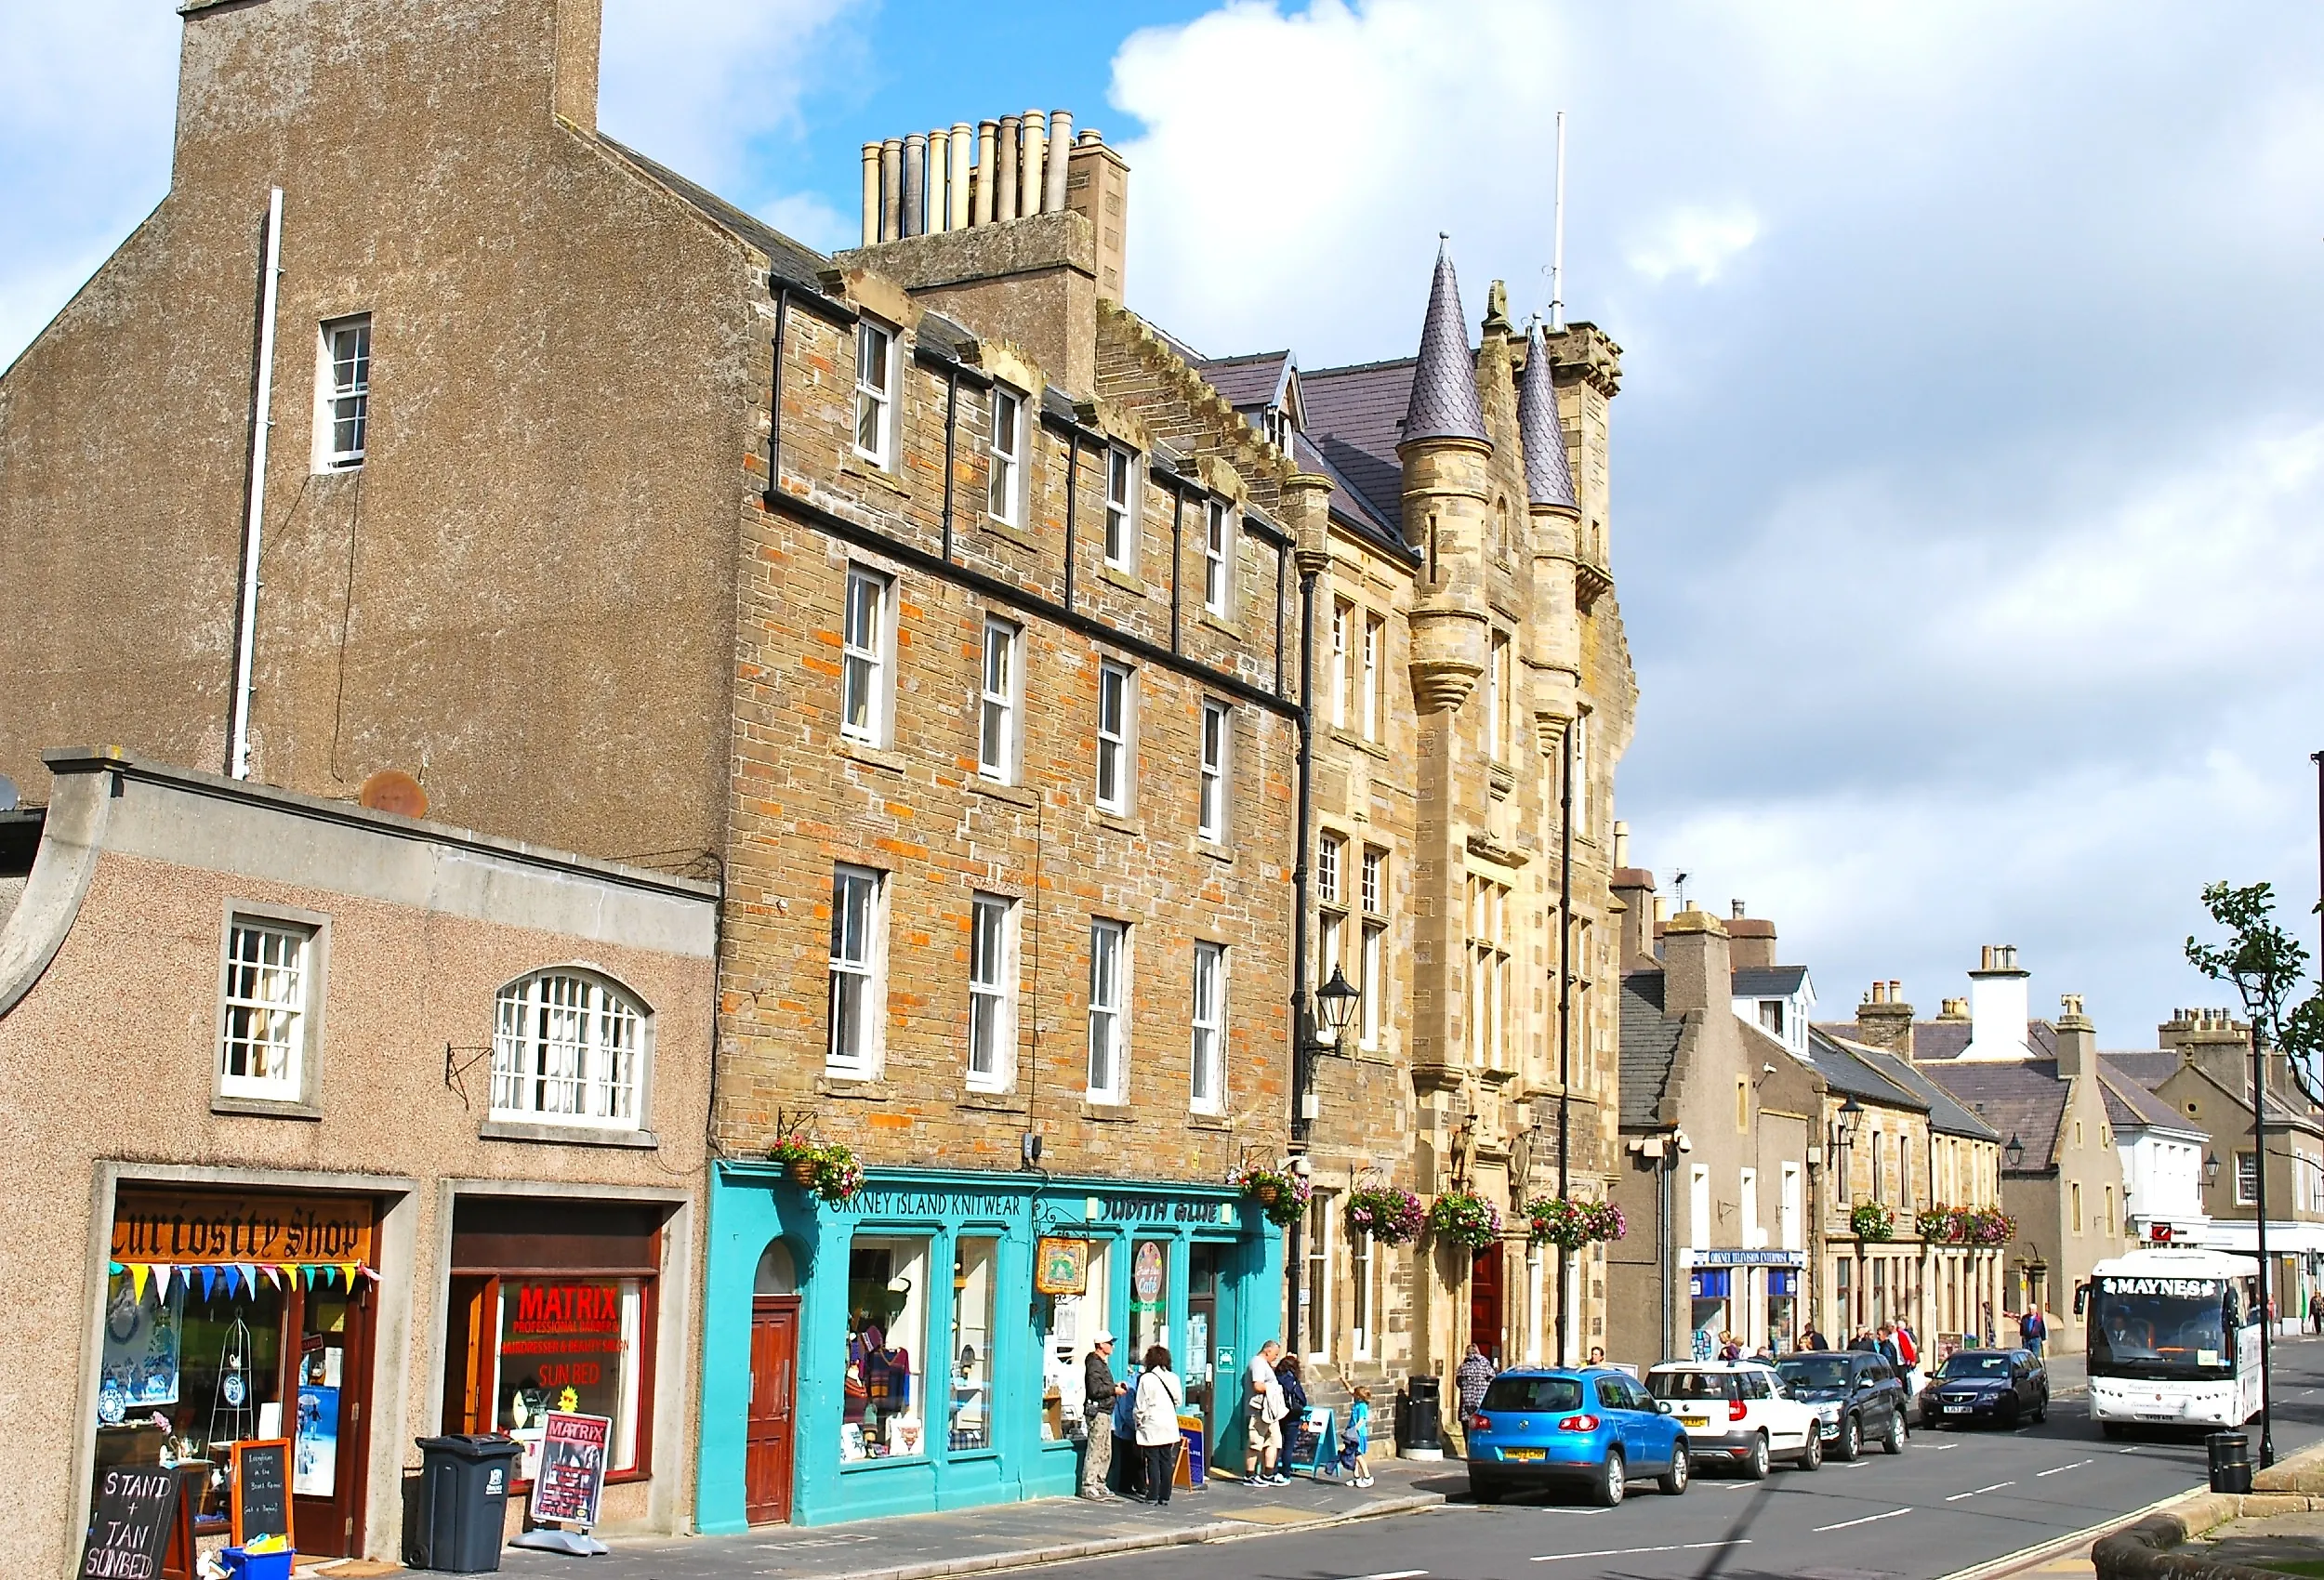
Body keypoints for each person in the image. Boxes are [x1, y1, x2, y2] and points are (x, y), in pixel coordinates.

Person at [1133, 1345, 1185, 1506]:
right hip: (1169, 1422)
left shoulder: (1146, 1379)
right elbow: (1179, 1401)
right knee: (1166, 1459)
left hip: (1152, 1423)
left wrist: (1137, 1419)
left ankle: (1153, 1494)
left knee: (1153, 1460)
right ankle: (1165, 1495)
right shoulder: (1173, 1377)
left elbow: (1140, 1404)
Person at [1079, 1331, 1126, 1501]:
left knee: (1105, 1449)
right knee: (1096, 1448)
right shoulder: (1094, 1364)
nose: (1112, 1346)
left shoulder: (1101, 1364)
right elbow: (1095, 1390)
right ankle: (1088, 1485)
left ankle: (1100, 1482)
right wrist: (1113, 1390)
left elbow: (1102, 1386)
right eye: (1109, 1343)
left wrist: (1115, 1386)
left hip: (1106, 1411)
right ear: (1101, 1345)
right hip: (1098, 1411)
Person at [1247, 1339, 1287, 1485]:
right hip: (1260, 1410)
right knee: (1255, 1442)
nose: (1276, 1357)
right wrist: (1275, 1389)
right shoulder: (1257, 1362)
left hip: (1271, 1410)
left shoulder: (1266, 1364)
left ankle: (1268, 1475)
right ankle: (1249, 1476)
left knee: (1274, 1441)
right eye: (1275, 1354)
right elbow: (1257, 1385)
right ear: (1267, 1350)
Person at [1340, 1384, 1375, 1488]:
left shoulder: (1363, 1406)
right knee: (1353, 1456)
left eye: (1355, 1394)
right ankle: (1357, 1478)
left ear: (1358, 1396)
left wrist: (1354, 1430)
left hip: (1358, 1435)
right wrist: (1343, 1381)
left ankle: (1368, 1477)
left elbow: (1362, 1420)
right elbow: (1350, 1390)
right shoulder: (1357, 1403)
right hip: (1352, 1433)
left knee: (1358, 1456)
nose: (1353, 1395)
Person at [1456, 1344, 1496, 1420]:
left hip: (1466, 1404)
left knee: (1467, 1428)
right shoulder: (1485, 1366)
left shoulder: (1463, 1367)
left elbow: (1458, 1382)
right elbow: (1493, 1380)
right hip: (1481, 1403)